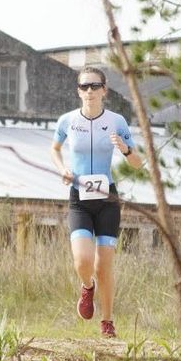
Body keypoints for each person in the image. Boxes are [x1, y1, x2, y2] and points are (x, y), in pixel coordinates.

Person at [50, 66, 142, 339]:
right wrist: (62, 169)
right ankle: (86, 287)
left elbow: (138, 163)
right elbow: (54, 149)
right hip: (79, 197)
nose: (89, 91)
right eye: (84, 86)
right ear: (78, 91)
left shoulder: (117, 122)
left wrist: (124, 149)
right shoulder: (67, 121)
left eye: (94, 86)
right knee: (83, 260)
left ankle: (107, 321)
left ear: (104, 90)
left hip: (107, 199)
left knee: (105, 264)